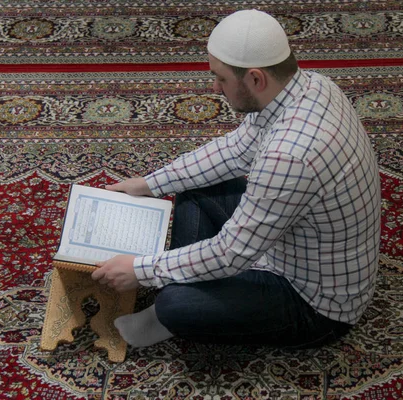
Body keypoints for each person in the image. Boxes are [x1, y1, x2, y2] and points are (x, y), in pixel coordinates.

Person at [91, 9, 381, 349]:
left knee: (173, 306)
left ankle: (183, 295)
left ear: (256, 79)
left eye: (221, 78)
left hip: (315, 303)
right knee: (191, 185)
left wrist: (142, 271)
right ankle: (196, 280)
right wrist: (148, 184)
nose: (214, 87)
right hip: (288, 244)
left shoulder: (289, 155)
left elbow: (231, 253)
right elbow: (236, 150)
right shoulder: (312, 85)